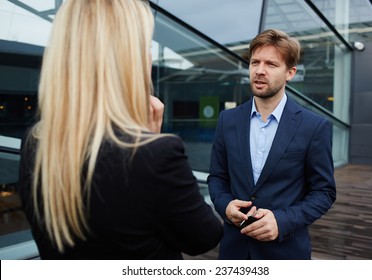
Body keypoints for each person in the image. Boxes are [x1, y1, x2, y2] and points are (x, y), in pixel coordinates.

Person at [18, 0, 222, 260]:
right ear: (129, 60)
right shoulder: (154, 155)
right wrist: (147, 138)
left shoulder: (34, 143)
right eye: (145, 46)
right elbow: (204, 237)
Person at [207, 29, 336, 260]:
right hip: (234, 252)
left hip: (285, 253)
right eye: (255, 62)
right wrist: (225, 206)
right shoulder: (228, 119)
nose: (259, 70)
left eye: (271, 64)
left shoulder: (314, 126)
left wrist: (282, 221)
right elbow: (217, 177)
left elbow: (323, 192)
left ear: (290, 73)